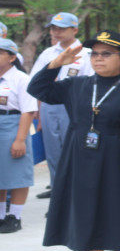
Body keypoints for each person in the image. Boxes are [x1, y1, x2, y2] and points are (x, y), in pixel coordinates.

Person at [28, 30, 120, 251]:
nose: (98, 59)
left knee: (118, 209)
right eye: (95, 54)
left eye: (106, 54)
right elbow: (38, 88)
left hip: (119, 157)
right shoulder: (78, 85)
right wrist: (56, 64)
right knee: (87, 208)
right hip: (81, 157)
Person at [30, 12, 94, 199]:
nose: (56, 32)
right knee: (53, 152)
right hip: (50, 106)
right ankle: (59, 194)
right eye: (53, 28)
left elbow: (92, 84)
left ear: (74, 30)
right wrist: (39, 113)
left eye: (61, 28)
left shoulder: (86, 53)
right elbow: (36, 82)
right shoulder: (48, 53)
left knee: (74, 150)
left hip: (75, 107)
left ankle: (76, 195)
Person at [0, 39, 37, 234]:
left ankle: (14, 216)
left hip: (13, 125)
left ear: (12, 57)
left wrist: (20, 139)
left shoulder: (21, 79)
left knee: (16, 172)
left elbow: (28, 111)